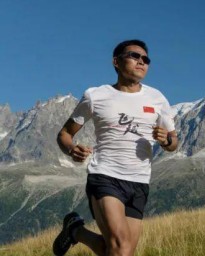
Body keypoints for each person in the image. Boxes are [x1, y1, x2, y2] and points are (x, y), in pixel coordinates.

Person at [53, 39, 178, 256]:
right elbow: (65, 134)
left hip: (139, 181)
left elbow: (173, 142)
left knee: (121, 251)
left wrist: (166, 140)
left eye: (146, 59)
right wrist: (72, 149)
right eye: (134, 56)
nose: (141, 62)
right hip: (105, 176)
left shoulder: (157, 98)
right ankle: (76, 231)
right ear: (116, 62)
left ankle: (77, 232)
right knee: (120, 248)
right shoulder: (96, 95)